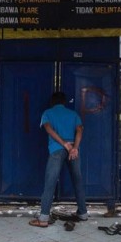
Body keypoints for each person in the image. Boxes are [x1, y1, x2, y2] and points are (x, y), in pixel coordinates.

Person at [29, 91, 88, 228]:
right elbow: (79, 130)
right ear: (64, 102)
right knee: (77, 181)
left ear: (52, 102)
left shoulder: (47, 113)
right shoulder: (73, 114)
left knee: (50, 182)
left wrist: (63, 144)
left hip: (57, 149)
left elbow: (48, 129)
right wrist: (74, 148)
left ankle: (43, 218)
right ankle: (83, 213)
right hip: (73, 150)